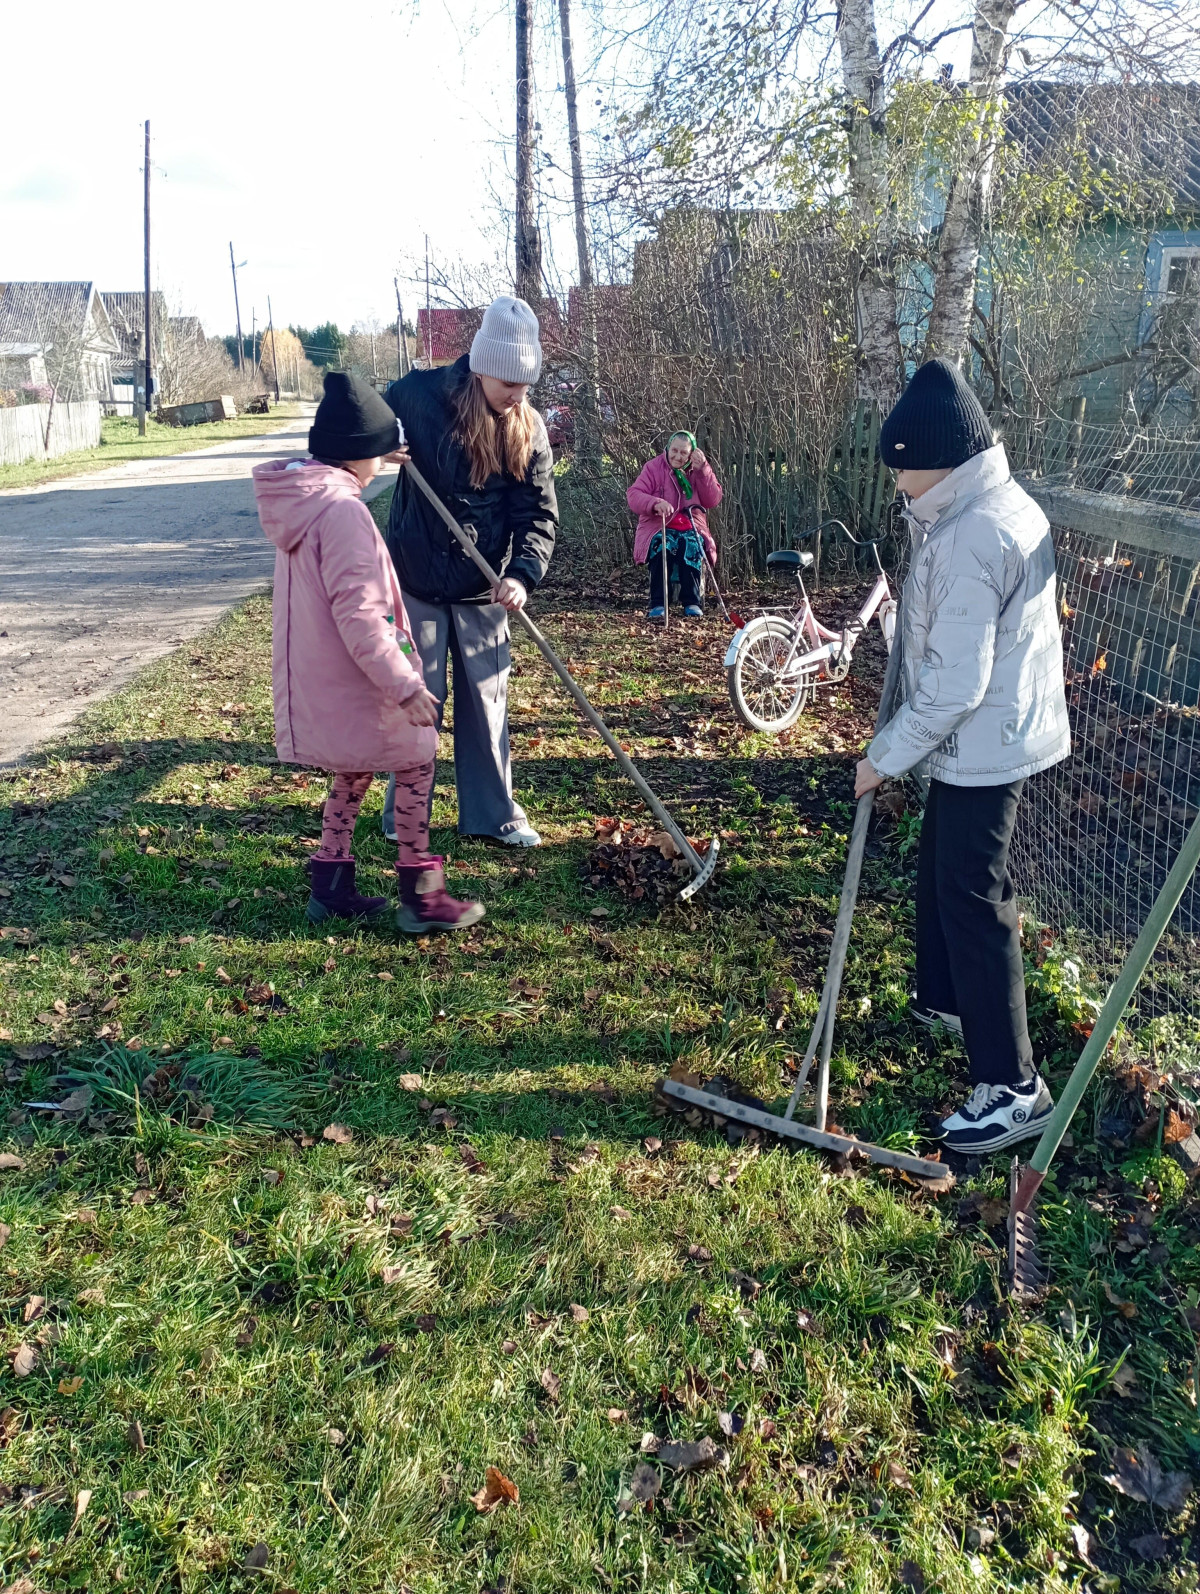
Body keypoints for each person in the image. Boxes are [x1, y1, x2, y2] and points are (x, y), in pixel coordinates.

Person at [854, 357, 1071, 1155]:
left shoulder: (973, 532)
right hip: (989, 732)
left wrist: (884, 757)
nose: (898, 484)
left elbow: (955, 686)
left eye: (903, 469)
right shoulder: (975, 509)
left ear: (937, 460)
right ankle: (950, 1002)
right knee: (944, 872)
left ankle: (1013, 1086)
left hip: (984, 739)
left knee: (975, 898)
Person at [253, 371, 484, 933]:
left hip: (328, 678)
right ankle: (422, 896)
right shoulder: (345, 515)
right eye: (379, 448)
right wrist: (404, 684)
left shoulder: (307, 502)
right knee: (417, 762)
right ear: (359, 455)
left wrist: (382, 449)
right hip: (367, 679)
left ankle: (330, 885)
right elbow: (361, 615)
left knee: (353, 771)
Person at [381, 296, 557, 847]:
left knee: (486, 703)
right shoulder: (419, 396)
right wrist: (382, 444)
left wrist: (523, 575)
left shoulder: (527, 428)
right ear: (482, 365)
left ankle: (493, 814)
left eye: (525, 385)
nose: (517, 395)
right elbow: (358, 417)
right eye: (508, 382)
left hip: (486, 588)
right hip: (417, 580)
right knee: (419, 700)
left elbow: (538, 513)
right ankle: (404, 814)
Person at [628, 431, 722, 619]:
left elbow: (712, 500)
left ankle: (692, 602)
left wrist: (703, 470)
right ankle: (658, 603)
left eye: (683, 453)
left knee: (692, 545)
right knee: (662, 545)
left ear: (691, 454)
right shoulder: (653, 468)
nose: (678, 456)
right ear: (668, 448)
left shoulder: (698, 470)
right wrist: (654, 503)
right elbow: (634, 495)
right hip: (659, 525)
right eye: (674, 451)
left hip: (691, 525)